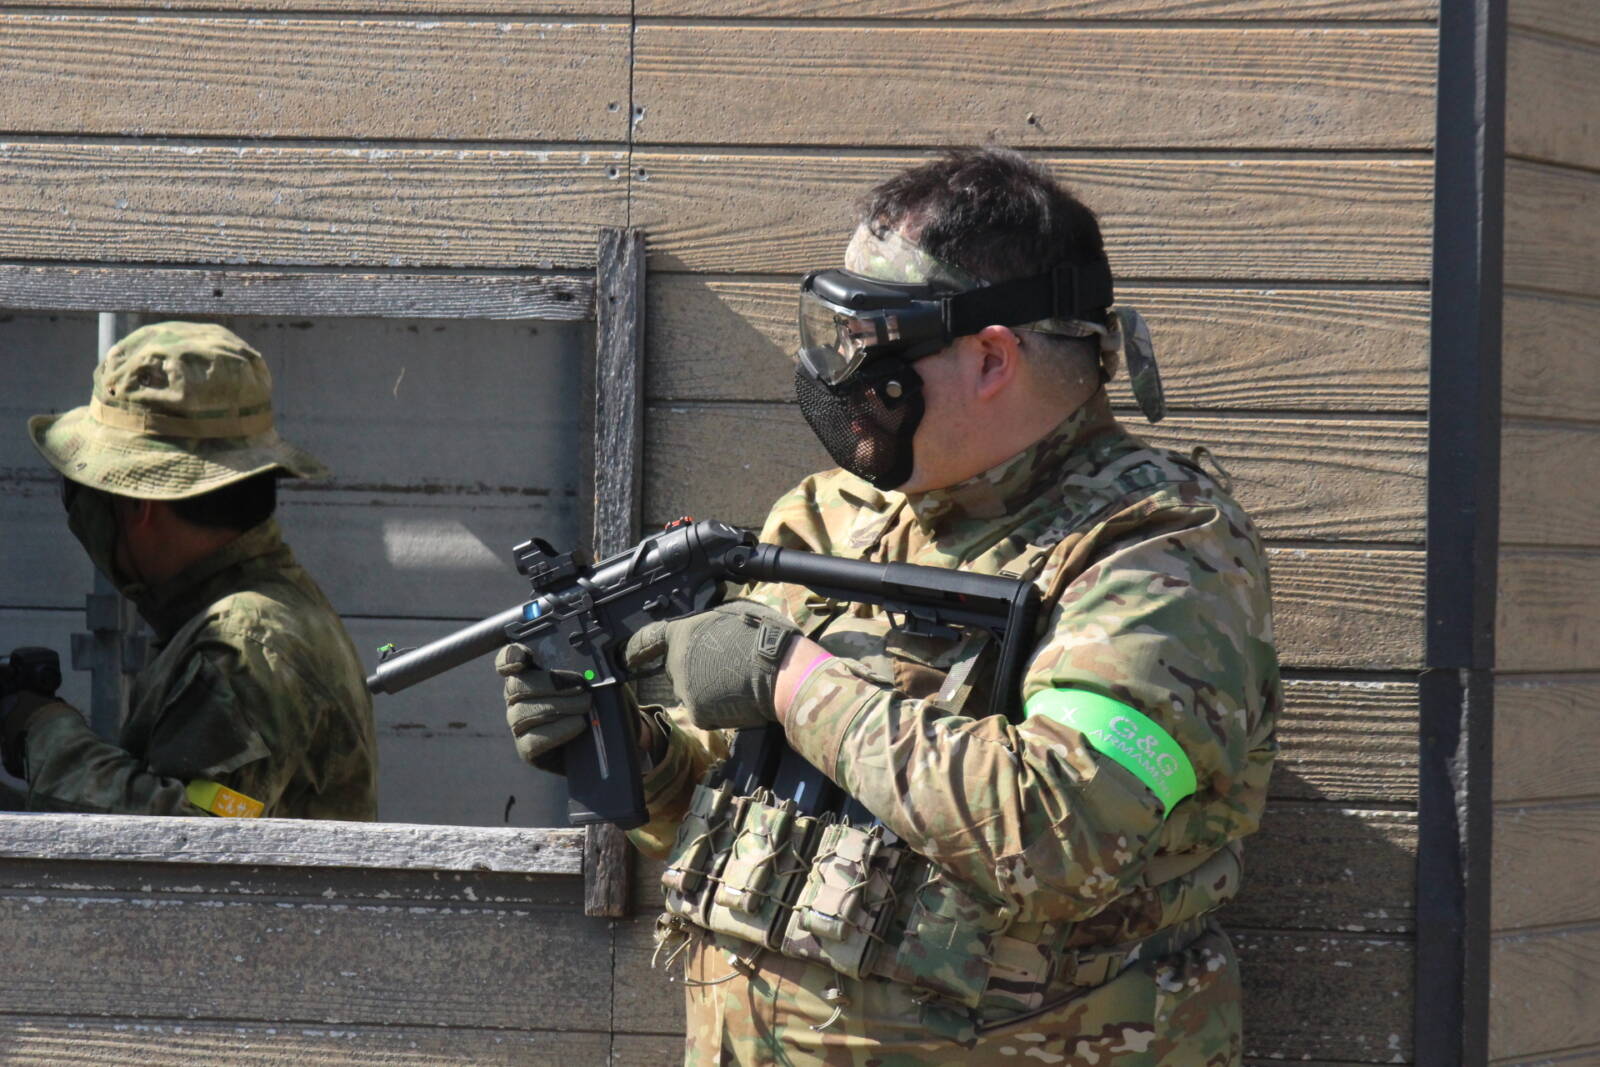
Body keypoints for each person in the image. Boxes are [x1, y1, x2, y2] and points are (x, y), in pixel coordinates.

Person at [499, 148, 1281, 1063]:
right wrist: (630, 750)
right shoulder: (829, 516)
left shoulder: (1159, 550)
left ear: (991, 358)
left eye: (872, 340)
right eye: (835, 332)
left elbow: (1059, 832)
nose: (841, 374)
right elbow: (735, 820)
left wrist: (791, 678)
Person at [0, 321, 378, 820]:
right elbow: (221, 809)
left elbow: (190, 832)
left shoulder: (245, 643)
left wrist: (44, 730)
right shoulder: (249, 614)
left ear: (138, 504)